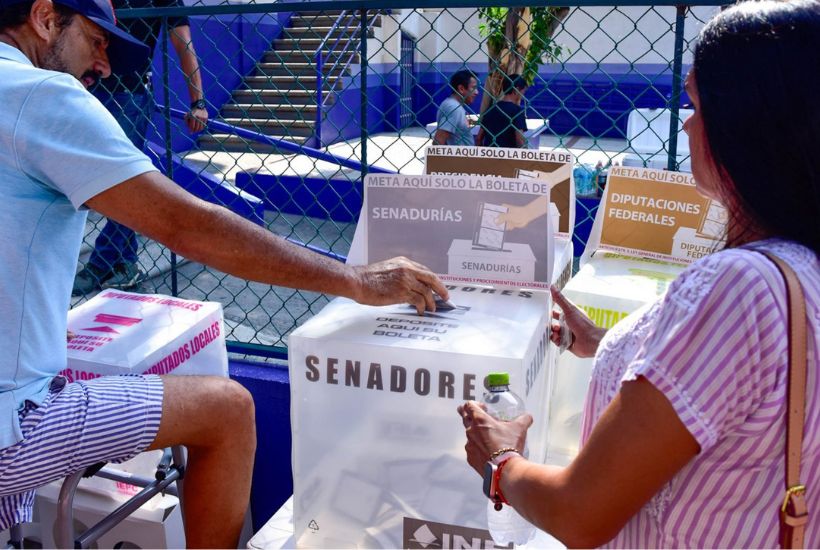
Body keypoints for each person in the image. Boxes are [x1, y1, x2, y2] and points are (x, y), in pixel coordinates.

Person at [0, 0, 449, 547]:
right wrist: (355, 279)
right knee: (228, 409)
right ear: (45, 18)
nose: (106, 66)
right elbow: (187, 226)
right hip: (12, 424)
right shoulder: (42, 96)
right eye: (98, 41)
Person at [459, 1, 820, 547]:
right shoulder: (801, 269)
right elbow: (745, 397)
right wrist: (611, 346)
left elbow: (579, 513)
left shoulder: (737, 288)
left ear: (747, 123)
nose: (687, 123)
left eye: (694, 105)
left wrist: (499, 458)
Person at [72, 0, 208, 295]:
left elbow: (183, 44)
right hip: (85, 86)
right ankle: (127, 263)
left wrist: (197, 101)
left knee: (119, 180)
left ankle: (102, 263)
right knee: (99, 178)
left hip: (127, 95)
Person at [476, 73, 528, 148]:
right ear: (516, 90)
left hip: (490, 154)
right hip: (508, 155)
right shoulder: (516, 111)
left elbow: (478, 139)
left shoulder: (491, 109)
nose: (523, 95)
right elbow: (520, 140)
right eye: (523, 92)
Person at [433, 68, 479, 146]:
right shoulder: (454, 108)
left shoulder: (452, 104)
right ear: (461, 89)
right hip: (459, 158)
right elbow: (439, 140)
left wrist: (483, 119)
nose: (477, 92)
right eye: (473, 88)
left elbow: (461, 125)